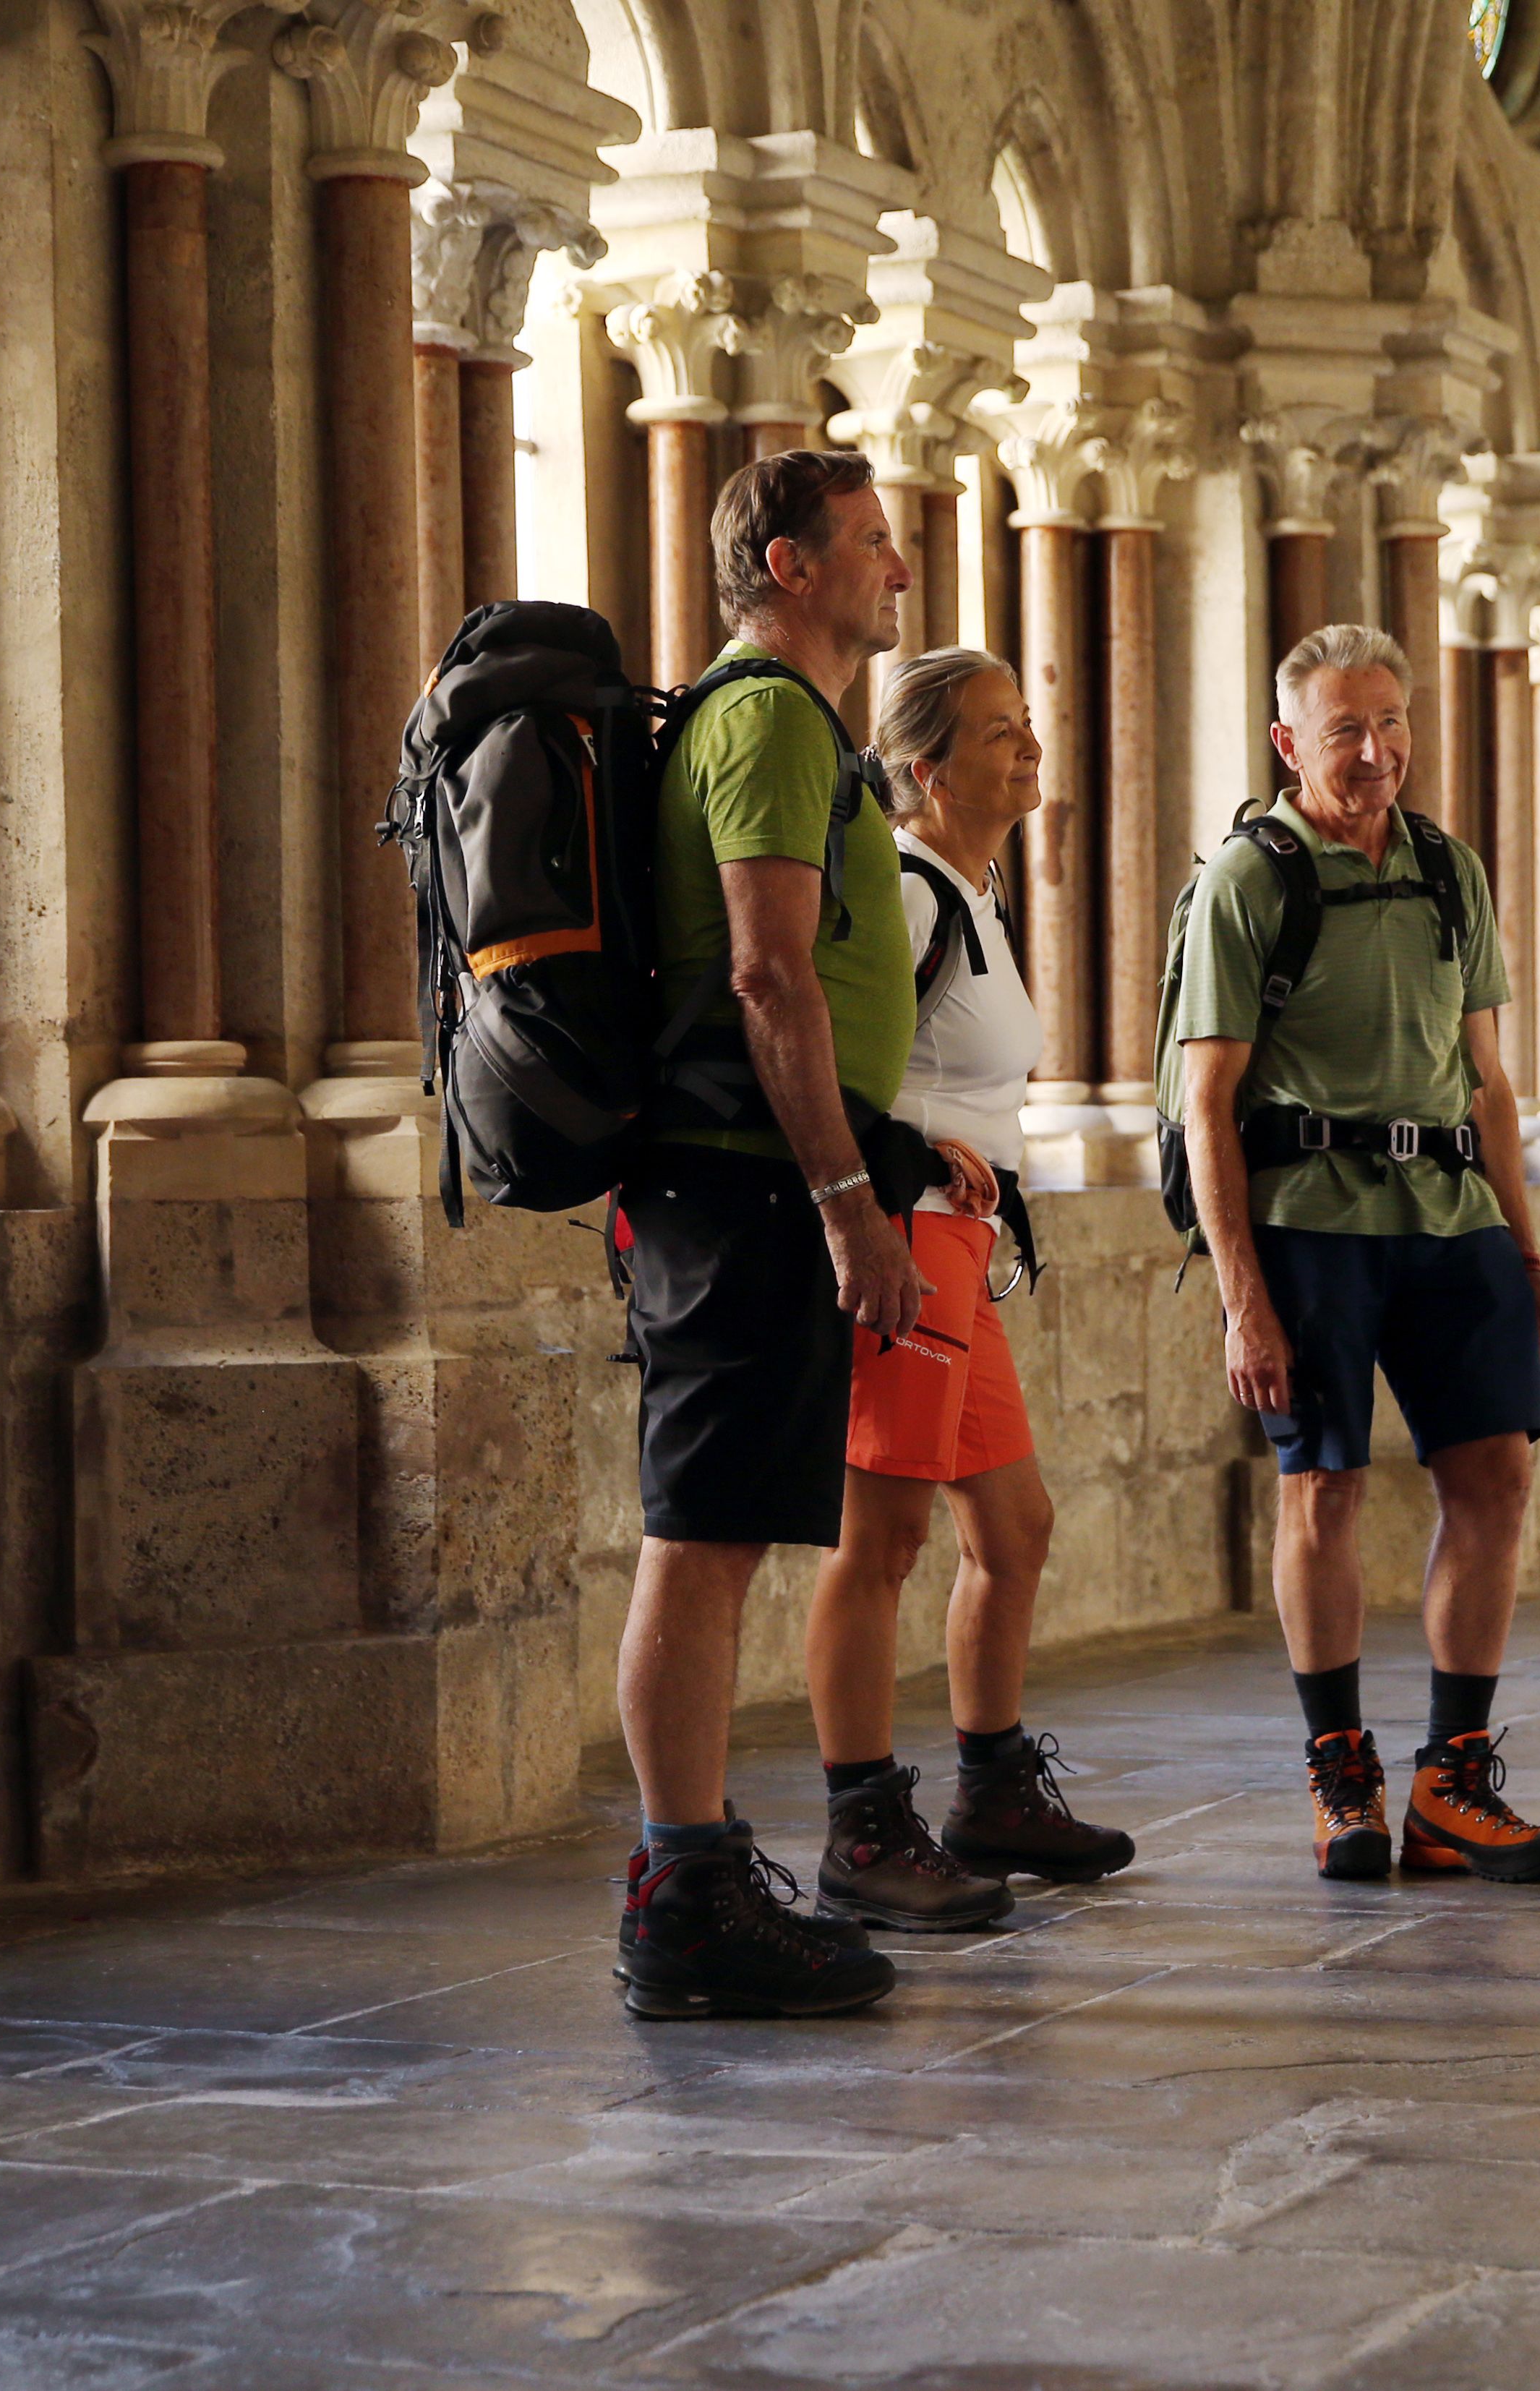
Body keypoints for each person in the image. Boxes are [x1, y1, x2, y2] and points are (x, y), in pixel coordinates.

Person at [1169, 623, 1540, 1889]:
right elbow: (1205, 1104)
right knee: (1323, 1488)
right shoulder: (1249, 880)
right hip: (1309, 1225)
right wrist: (1243, 1301)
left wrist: (1524, 1255)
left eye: (1391, 722)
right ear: (1287, 743)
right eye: (1343, 728)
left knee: (1495, 1477)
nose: (1375, 751)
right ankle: (1339, 1770)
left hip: (1451, 1220)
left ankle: (1451, 1785)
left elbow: (1488, 1081)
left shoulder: (1450, 870)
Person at [612, 449, 924, 2022]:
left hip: (754, 1178)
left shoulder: (793, 721)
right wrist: (845, 1201)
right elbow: (767, 972)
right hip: (742, 1184)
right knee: (703, 1534)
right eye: (871, 540)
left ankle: (697, 1875)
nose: (899, 568)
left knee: (719, 1531)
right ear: (789, 566)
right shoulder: (768, 720)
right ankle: (684, 1896)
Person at [803, 648, 1142, 1931]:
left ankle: (992, 1794)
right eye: (999, 731)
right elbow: (817, 1063)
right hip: (903, 1244)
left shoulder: (969, 893)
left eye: (1026, 722)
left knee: (1014, 1528)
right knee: (881, 1541)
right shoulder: (901, 891)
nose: (1029, 746)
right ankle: (860, 1828)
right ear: (926, 770)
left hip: (961, 1250)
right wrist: (903, 1161)